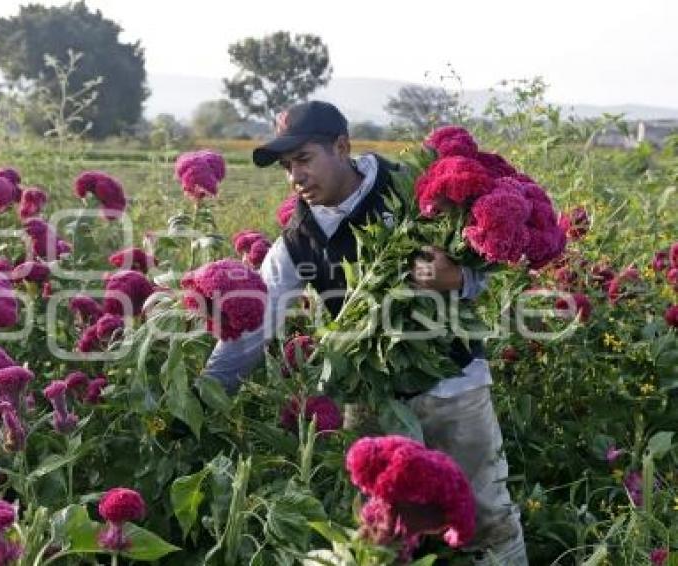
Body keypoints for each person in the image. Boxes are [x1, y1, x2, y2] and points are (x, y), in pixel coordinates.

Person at [203, 100, 528, 564]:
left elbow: (493, 254)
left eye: (304, 160)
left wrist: (458, 279)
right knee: (383, 534)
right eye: (286, 167)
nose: (295, 177)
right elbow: (255, 321)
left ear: (342, 146)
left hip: (452, 387)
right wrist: (206, 392)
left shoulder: (418, 189)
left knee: (488, 521)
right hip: (372, 400)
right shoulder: (299, 238)